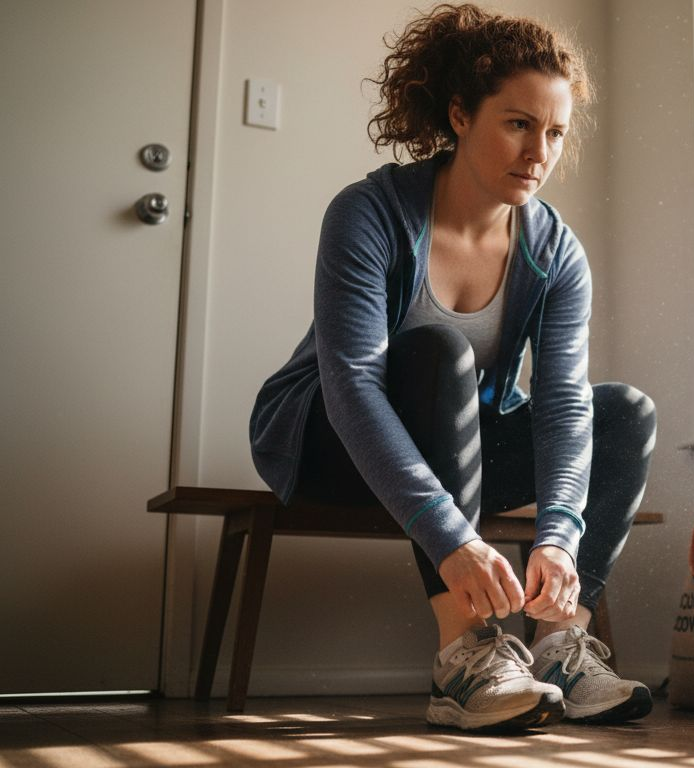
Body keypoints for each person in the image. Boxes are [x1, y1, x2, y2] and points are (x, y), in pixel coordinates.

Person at [248, 3, 656, 731]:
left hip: (459, 443)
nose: (539, 151)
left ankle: (561, 643)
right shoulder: (368, 214)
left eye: (555, 132)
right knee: (442, 354)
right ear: (461, 114)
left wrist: (559, 535)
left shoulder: (557, 254)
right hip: (327, 442)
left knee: (623, 410)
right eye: (518, 123)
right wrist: (454, 538)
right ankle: (463, 656)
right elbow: (352, 388)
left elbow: (562, 404)